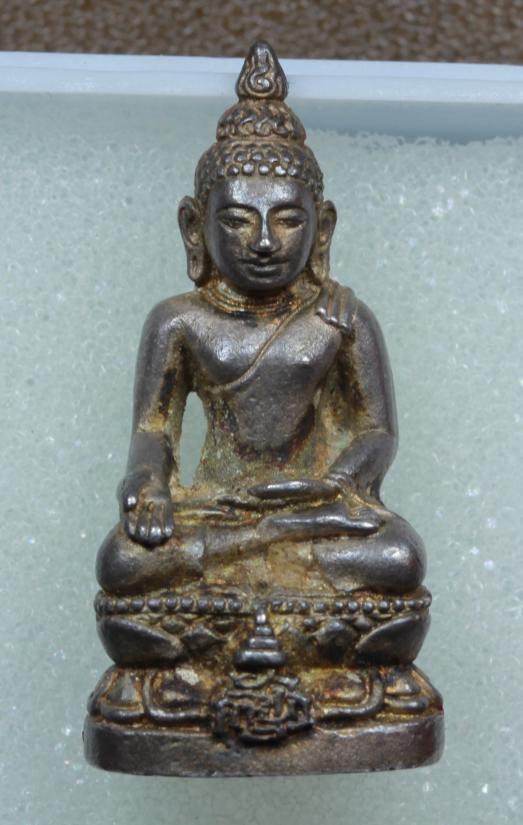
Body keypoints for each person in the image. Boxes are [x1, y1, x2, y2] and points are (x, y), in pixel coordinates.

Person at [96, 41, 428, 670]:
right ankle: (282, 568)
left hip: (313, 506)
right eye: (239, 220)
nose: (267, 242)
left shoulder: (342, 318)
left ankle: (240, 588)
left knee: (398, 558)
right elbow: (153, 429)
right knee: (122, 561)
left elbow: (377, 432)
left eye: (288, 219)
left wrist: (336, 485)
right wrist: (146, 483)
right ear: (194, 226)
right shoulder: (178, 320)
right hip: (216, 507)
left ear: (323, 227)